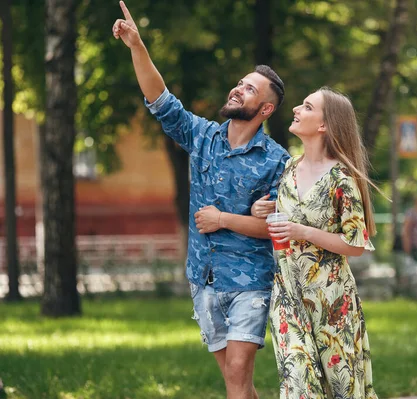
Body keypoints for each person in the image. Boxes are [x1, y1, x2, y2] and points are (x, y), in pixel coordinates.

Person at [112, 3, 289, 399]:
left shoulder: (278, 161)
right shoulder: (202, 136)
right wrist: (137, 46)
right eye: (240, 83)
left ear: (265, 109)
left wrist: (223, 218)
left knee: (240, 369)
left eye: (249, 89)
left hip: (250, 281)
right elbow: (160, 98)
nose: (237, 89)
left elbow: (277, 227)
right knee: (235, 380)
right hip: (203, 277)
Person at [252, 87, 378, 399]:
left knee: (340, 388)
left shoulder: (342, 180)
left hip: (331, 300)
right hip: (287, 294)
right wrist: (261, 209)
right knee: (297, 385)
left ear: (323, 125)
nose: (296, 108)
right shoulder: (288, 168)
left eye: (307, 107)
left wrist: (303, 231)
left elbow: (356, 245)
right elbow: (284, 213)